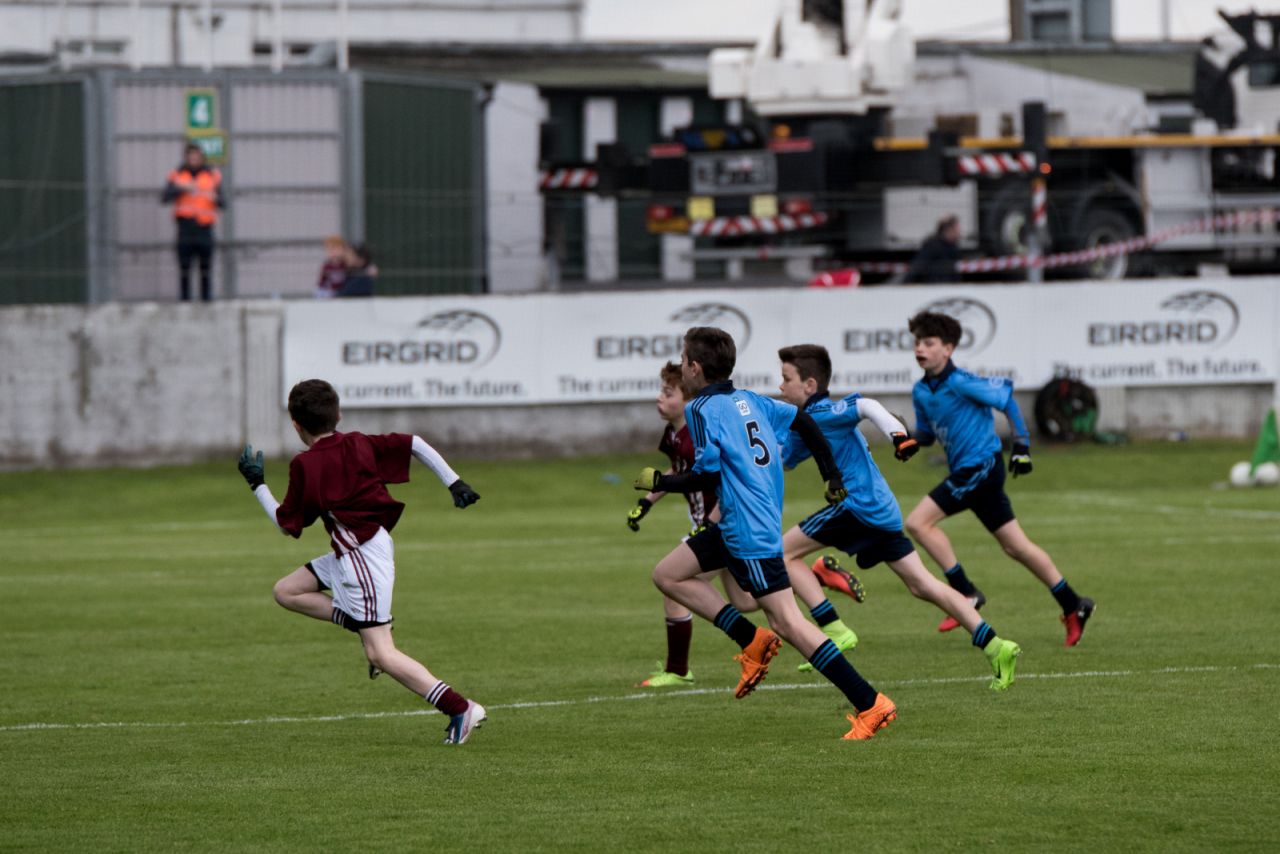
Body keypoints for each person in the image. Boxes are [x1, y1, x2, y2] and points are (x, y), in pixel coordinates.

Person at [636, 327, 897, 740]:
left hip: (748, 531)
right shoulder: (752, 400)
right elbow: (805, 421)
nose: (682, 366)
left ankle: (870, 703)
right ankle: (751, 640)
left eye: (684, 360)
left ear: (695, 368)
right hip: (735, 523)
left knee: (789, 623)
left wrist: (660, 482)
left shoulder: (703, 409)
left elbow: (706, 472)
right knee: (668, 574)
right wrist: (830, 474)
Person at [236, 379, 487, 745]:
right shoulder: (358, 442)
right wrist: (454, 481)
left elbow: (286, 525)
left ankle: (460, 708)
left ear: (295, 424)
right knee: (287, 591)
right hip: (355, 551)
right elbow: (414, 443)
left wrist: (257, 484)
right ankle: (361, 622)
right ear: (338, 414)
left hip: (362, 560)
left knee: (381, 654)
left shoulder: (305, 465)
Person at [776, 344, 1021, 690]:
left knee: (781, 554)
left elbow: (867, 406)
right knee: (923, 585)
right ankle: (996, 645)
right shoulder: (803, 425)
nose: (781, 386)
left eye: (786, 378)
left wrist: (898, 436)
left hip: (857, 508)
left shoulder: (826, 412)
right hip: (882, 511)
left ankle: (833, 628)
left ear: (810, 385)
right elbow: (781, 458)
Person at [903, 311, 1096, 646]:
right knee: (1015, 546)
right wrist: (905, 438)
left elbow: (1006, 398)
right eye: (917, 342)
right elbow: (927, 435)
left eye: (929, 342)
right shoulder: (921, 391)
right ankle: (1073, 603)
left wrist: (1021, 445)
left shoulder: (961, 381)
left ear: (948, 349)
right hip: (970, 472)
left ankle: (965, 593)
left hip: (980, 468)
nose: (920, 348)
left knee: (919, 523)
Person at [626, 362, 761, 688]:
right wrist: (647, 502)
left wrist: (707, 526)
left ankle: (678, 669)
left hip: (721, 525)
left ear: (687, 400)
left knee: (673, 582)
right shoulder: (674, 435)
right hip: (715, 527)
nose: (659, 398)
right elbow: (676, 470)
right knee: (746, 601)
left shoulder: (698, 434)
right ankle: (808, 575)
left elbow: (720, 480)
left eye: (667, 392)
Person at [161, 143, 224, 301]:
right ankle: (185, 303)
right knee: (184, 269)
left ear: (202, 157)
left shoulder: (212, 175)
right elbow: (164, 197)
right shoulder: (177, 175)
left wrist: (215, 199)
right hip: (185, 228)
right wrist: (182, 188)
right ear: (186, 157)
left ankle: (206, 302)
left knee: (205, 269)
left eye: (197, 156)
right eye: (191, 156)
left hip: (204, 228)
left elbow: (223, 201)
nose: (194, 159)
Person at [905, 215, 961, 284]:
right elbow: (918, 266)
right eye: (957, 230)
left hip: (948, 288)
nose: (959, 233)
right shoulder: (933, 246)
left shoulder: (953, 247)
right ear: (948, 230)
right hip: (933, 288)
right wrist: (907, 285)